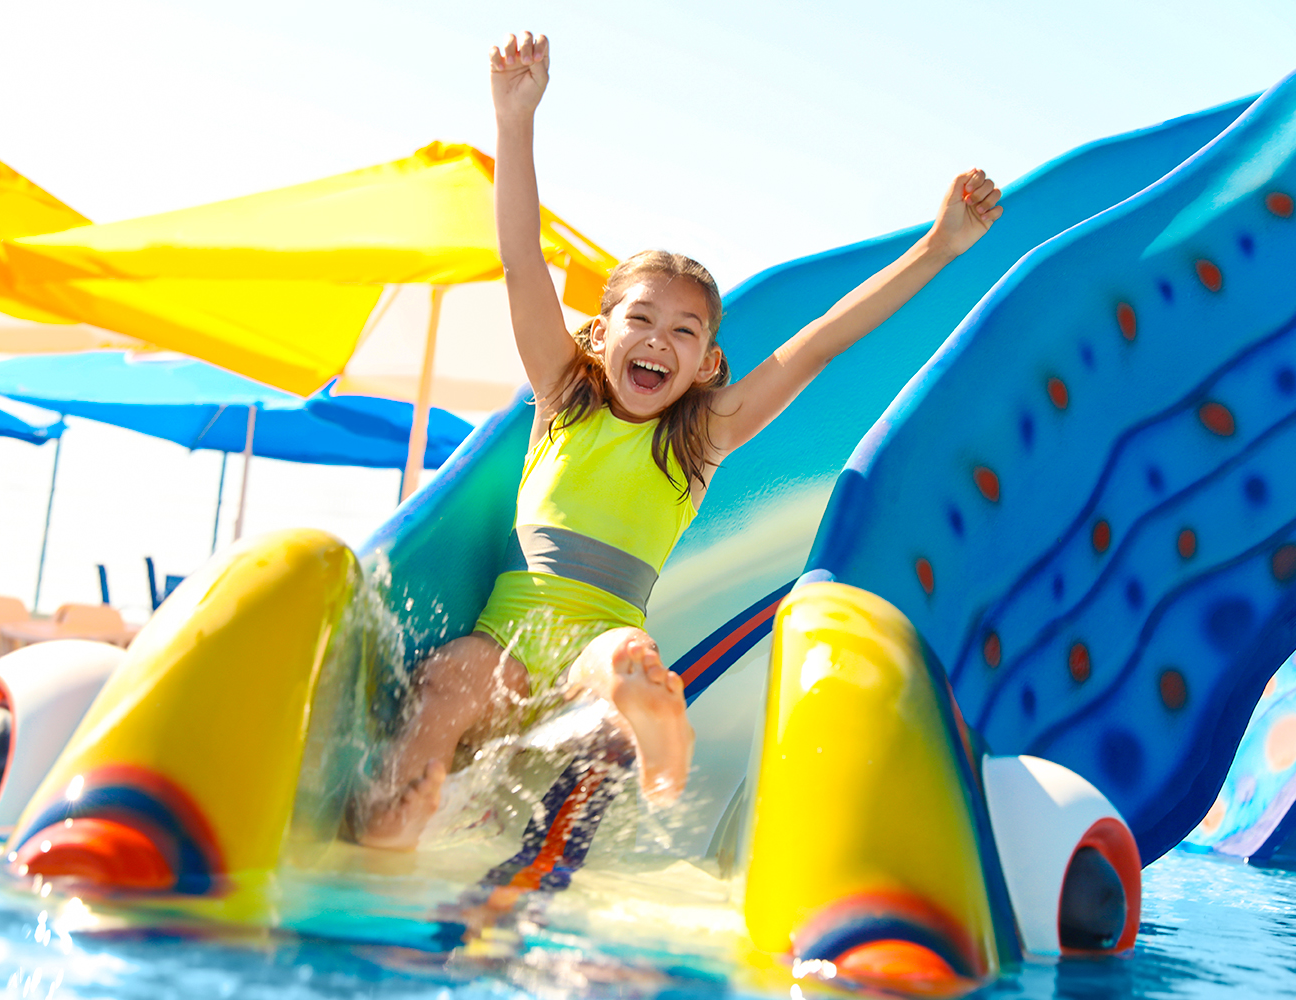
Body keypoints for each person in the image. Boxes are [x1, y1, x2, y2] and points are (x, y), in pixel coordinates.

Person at [356, 31, 1003, 850]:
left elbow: (823, 341)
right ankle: (384, 843)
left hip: (603, 638)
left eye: (685, 330)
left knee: (628, 667)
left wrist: (939, 246)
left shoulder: (702, 437)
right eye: (642, 319)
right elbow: (522, 261)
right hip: (509, 634)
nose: (659, 340)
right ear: (600, 333)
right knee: (444, 684)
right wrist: (512, 119)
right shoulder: (563, 397)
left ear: (707, 363)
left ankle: (648, 748)